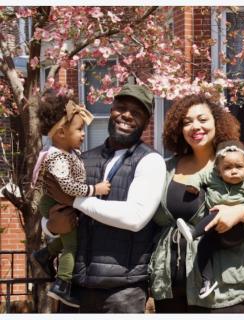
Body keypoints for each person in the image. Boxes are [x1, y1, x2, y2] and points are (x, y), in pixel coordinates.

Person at [149, 94, 244, 313]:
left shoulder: (237, 164)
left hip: (225, 290)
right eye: (186, 122)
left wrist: (241, 211)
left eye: (202, 119)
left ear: (217, 122)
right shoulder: (166, 168)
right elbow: (156, 221)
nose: (195, 126)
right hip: (171, 288)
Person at [40, 84, 166, 313]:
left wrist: (75, 201)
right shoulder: (82, 158)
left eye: (136, 113)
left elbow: (134, 218)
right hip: (75, 291)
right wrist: (50, 227)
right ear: (111, 111)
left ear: (146, 123)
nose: (126, 115)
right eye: (121, 108)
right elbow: (52, 202)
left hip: (122, 292)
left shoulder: (150, 161)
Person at [30, 90, 111, 308]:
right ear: (61, 133)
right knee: (71, 245)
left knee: (68, 239)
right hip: (55, 202)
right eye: (79, 129)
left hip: (60, 201)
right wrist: (96, 189)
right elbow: (68, 186)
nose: (83, 134)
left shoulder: (68, 154)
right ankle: (62, 284)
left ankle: (44, 254)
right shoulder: (57, 157)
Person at [176, 139, 244, 299]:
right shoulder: (213, 177)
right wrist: (193, 185)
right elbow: (199, 176)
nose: (234, 171)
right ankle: (207, 282)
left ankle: (193, 233)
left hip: (239, 230)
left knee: (217, 212)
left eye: (238, 167)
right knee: (203, 248)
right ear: (219, 171)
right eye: (227, 168)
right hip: (217, 232)